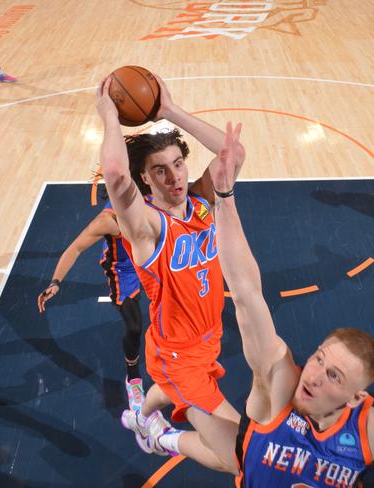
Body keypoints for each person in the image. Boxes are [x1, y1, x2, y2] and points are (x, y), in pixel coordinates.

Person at [144, 123, 374, 487]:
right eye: (318, 358)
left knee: (232, 458)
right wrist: (225, 196)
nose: (313, 375)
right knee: (231, 458)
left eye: (334, 376)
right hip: (189, 353)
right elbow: (246, 292)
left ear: (356, 397)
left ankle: (163, 434)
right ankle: (163, 433)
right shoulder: (279, 385)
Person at [96, 74, 241, 471]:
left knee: (167, 392)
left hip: (208, 337)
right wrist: (109, 116)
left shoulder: (200, 203)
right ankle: (162, 438)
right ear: (145, 178)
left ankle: (141, 416)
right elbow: (113, 175)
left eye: (178, 163)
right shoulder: (146, 227)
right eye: (160, 170)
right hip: (177, 355)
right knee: (242, 456)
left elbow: (233, 153)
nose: (174, 176)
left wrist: (170, 111)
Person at [37, 200, 146, 412]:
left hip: (151, 256)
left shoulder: (155, 198)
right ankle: (133, 378)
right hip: (124, 268)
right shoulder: (107, 221)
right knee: (134, 327)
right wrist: (55, 282)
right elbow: (76, 247)